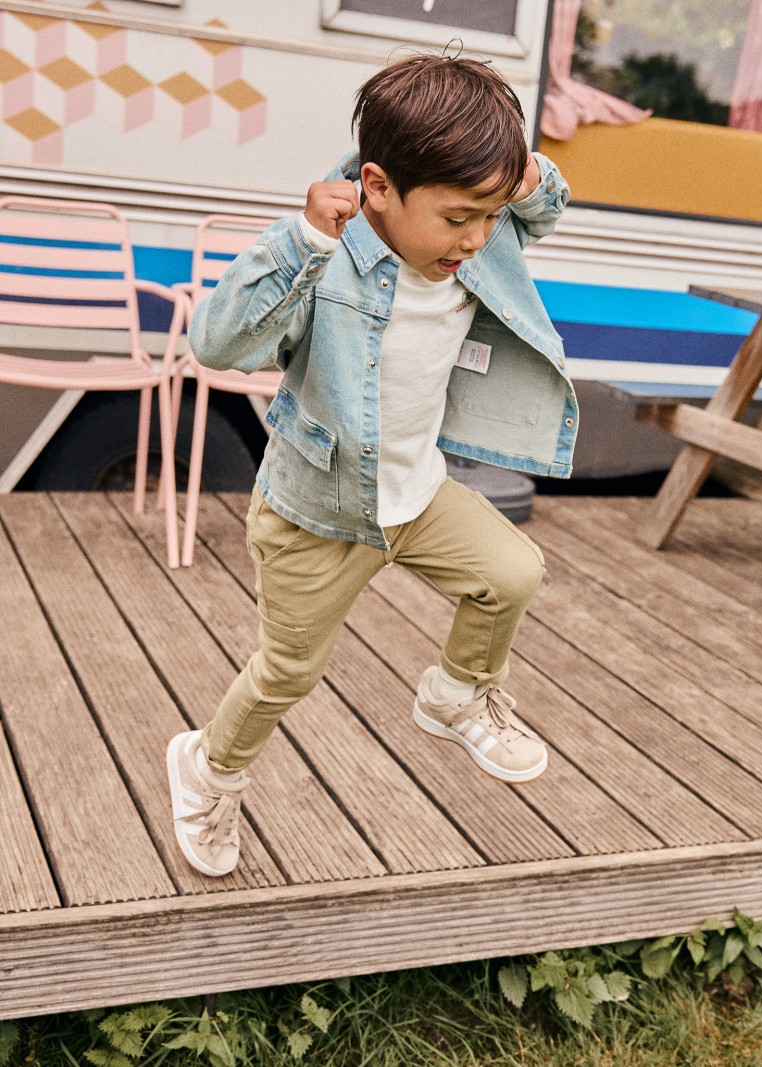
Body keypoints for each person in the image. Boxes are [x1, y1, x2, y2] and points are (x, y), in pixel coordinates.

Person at [166, 53, 578, 877]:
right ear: (380, 188)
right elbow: (213, 342)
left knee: (513, 570)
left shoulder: (479, 234)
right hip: (317, 514)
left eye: (493, 215)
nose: (479, 238)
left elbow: (542, 206)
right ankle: (208, 768)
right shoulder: (326, 261)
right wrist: (300, 240)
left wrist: (523, 180)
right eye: (462, 216)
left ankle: (456, 693)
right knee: (289, 672)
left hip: (415, 497)